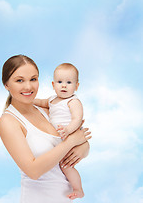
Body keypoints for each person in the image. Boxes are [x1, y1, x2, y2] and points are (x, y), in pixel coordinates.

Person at [0, 55, 91, 203]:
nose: (28, 86)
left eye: (33, 79)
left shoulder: (48, 111)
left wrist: (84, 147)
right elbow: (33, 171)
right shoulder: (8, 121)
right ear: (6, 85)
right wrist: (71, 142)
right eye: (19, 80)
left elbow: (77, 139)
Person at [34, 63, 84, 199]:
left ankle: (78, 189)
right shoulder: (51, 100)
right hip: (58, 139)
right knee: (56, 162)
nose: (63, 85)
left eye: (69, 82)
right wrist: (31, 101)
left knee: (66, 166)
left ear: (76, 86)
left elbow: (77, 119)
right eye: (60, 82)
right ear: (53, 84)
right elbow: (41, 102)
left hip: (68, 136)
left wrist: (68, 130)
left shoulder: (73, 101)